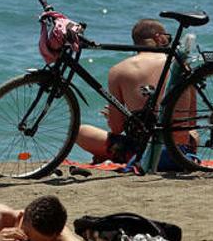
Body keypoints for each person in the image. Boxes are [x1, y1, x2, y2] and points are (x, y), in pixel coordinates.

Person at [76, 19, 195, 167]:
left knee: (80, 131)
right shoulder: (180, 65)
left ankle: (131, 157)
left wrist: (113, 117)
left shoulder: (118, 70)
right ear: (159, 37)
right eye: (167, 37)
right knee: (193, 135)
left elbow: (117, 128)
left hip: (141, 150)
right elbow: (191, 121)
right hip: (179, 152)